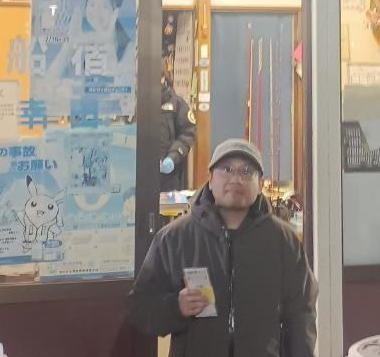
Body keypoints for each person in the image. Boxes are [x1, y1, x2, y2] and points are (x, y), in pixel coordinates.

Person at [128, 139, 317, 357]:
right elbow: (140, 307)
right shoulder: (174, 238)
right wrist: (176, 307)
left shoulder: (283, 240)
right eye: (227, 169)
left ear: (260, 184)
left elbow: (301, 314)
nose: (236, 179)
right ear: (210, 179)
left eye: (246, 171)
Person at [155, 72, 196, 192]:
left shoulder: (178, 104)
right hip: (139, 172)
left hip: (169, 174)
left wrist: (172, 158)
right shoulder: (136, 103)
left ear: (162, 79)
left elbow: (187, 134)